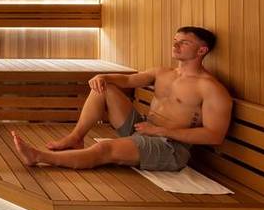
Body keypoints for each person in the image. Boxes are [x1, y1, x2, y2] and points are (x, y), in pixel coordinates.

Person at [12, 27, 232, 171]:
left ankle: (39, 156)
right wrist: (103, 76)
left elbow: (214, 135)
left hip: (169, 146)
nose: (175, 45)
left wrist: (161, 132)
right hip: (144, 128)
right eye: (175, 40)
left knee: (104, 150)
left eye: (184, 43)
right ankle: (76, 137)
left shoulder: (210, 88)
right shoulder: (163, 72)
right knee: (104, 87)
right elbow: (128, 81)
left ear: (202, 50)